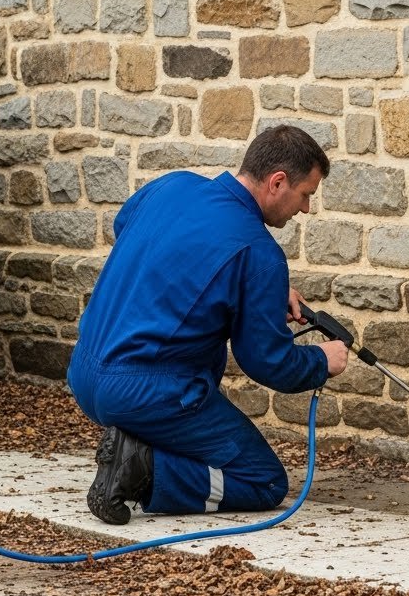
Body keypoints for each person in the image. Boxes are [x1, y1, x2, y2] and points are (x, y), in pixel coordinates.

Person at [66, 124, 350, 525]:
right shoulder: (259, 252)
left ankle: (134, 445)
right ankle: (142, 469)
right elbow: (266, 361)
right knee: (264, 481)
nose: (305, 209)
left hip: (84, 372)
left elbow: (125, 226)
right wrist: (322, 360)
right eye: (305, 195)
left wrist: (258, 293)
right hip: (146, 391)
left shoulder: (171, 186)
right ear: (278, 182)